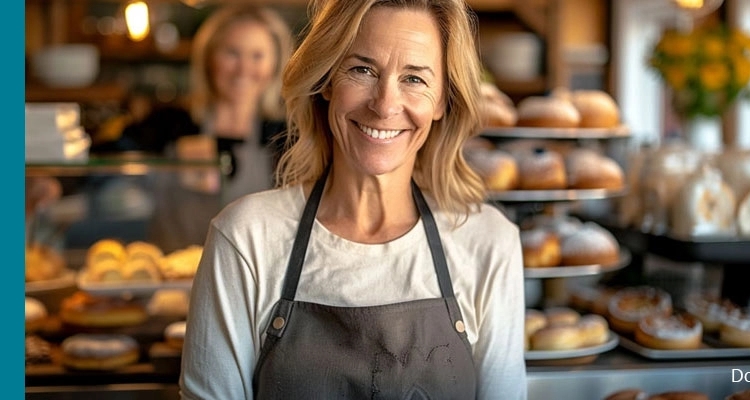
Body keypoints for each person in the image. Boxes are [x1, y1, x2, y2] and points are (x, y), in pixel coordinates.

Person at [179, 0, 526, 399]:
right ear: (327, 80)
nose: (384, 105)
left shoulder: (489, 243)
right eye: (362, 70)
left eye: (415, 79)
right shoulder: (244, 238)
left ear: (442, 101)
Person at [118, 4, 294, 251]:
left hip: (250, 285)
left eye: (257, 56)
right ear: (209, 57)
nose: (244, 69)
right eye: (232, 53)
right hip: (172, 279)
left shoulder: (286, 135)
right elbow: (105, 157)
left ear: (274, 64)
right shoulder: (169, 124)